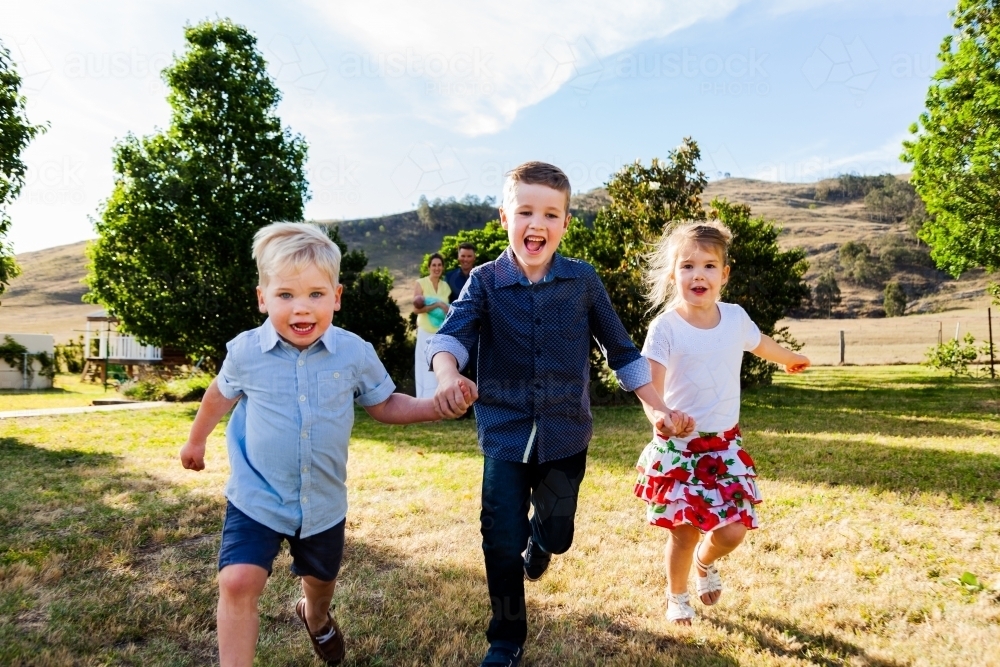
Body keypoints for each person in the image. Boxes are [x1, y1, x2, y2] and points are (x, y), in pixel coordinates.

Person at [427, 162, 688, 667]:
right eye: (525, 211)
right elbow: (450, 337)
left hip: (566, 437)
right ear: (505, 216)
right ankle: (505, 637)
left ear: (565, 223)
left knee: (558, 533)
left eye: (550, 214)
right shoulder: (484, 281)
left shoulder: (583, 281)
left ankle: (543, 545)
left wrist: (656, 406)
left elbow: (622, 350)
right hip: (503, 436)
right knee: (499, 540)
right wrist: (446, 377)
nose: (537, 224)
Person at [179, 222, 456, 667]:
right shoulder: (246, 352)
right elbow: (218, 396)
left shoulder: (354, 352)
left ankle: (316, 616)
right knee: (237, 582)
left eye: (315, 295)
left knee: (320, 580)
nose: (301, 308)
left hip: (323, 502)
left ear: (337, 297)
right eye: (285, 295)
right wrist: (196, 441)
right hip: (257, 497)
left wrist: (433, 407)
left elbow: (384, 403)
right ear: (262, 298)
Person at [633, 220, 810, 625]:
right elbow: (650, 385)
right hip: (681, 448)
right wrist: (661, 416)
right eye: (688, 266)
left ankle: (705, 562)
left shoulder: (734, 318)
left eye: (709, 266)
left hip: (725, 448)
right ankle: (677, 597)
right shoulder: (666, 328)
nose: (699, 274)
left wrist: (789, 358)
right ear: (673, 274)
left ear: (724, 274)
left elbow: (760, 343)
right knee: (683, 530)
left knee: (732, 531)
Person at [444, 243, 478, 418]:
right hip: (457, 333)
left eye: (469, 256)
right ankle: (461, 411)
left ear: (474, 258)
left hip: (477, 332)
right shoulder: (449, 277)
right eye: (462, 256)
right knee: (458, 370)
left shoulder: (480, 277)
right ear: (458, 257)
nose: (465, 259)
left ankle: (478, 410)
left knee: (477, 369)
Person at [412, 252, 451, 398]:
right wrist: (437, 305)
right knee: (424, 367)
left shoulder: (445, 286)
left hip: (440, 333)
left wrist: (444, 307)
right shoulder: (420, 283)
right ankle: (424, 404)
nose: (437, 268)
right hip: (425, 332)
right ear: (428, 267)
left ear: (443, 267)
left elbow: (447, 309)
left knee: (438, 368)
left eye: (439, 265)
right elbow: (416, 309)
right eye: (434, 265)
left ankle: (438, 405)